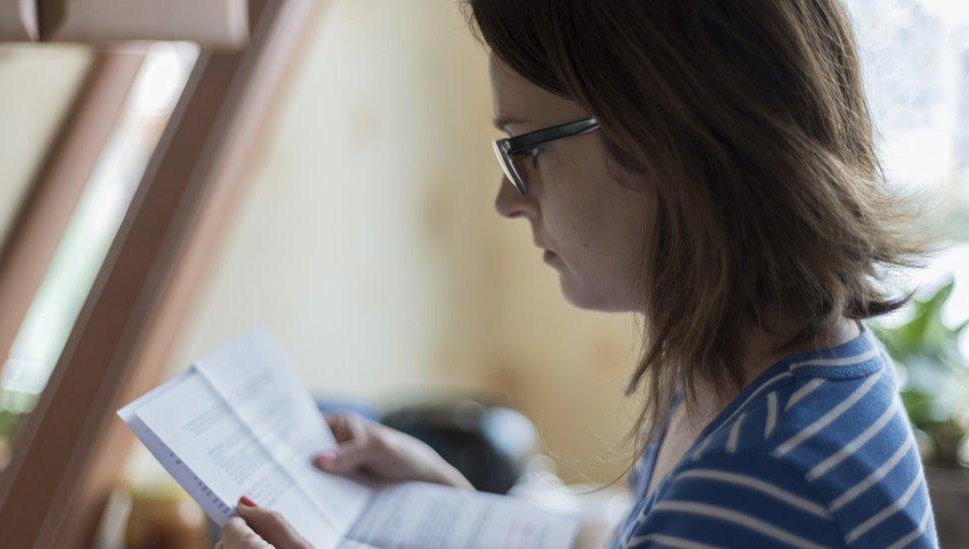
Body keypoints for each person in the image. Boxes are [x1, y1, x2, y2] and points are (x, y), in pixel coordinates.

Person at [219, 1, 942, 547]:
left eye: (524, 146)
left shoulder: (764, 479)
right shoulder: (754, 377)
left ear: (659, 139)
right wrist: (453, 506)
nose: (508, 199)